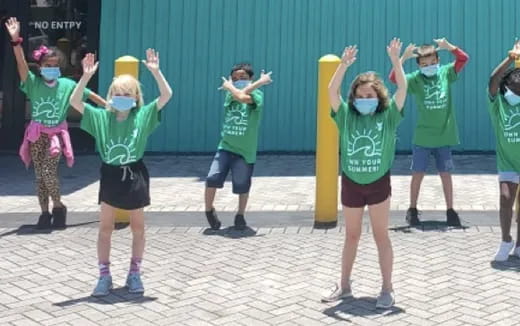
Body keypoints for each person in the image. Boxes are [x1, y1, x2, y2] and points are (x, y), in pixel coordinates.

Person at [69, 49, 172, 296]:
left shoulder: (143, 116)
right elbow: (75, 102)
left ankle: (134, 274)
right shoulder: (101, 117)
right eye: (118, 93)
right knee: (105, 228)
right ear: (111, 95)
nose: (122, 97)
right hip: (110, 174)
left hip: (134, 174)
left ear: (136, 97)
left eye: (128, 94)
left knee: (138, 227)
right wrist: (85, 77)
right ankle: (104, 276)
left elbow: (167, 95)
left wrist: (156, 73)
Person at [321, 38, 407, 309]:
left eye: (369, 96)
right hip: (351, 183)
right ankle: (344, 286)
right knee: (352, 235)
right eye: (359, 96)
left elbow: (402, 88)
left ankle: (387, 288)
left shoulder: (389, 115)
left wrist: (396, 61)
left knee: (381, 235)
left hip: (378, 183)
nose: (364, 100)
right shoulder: (346, 115)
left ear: (378, 97)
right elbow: (331, 92)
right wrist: (343, 67)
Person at [5, 17, 106, 229]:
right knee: (39, 177)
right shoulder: (32, 84)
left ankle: (59, 205)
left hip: (56, 136)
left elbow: (90, 95)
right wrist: (16, 41)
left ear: (59, 67)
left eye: (54, 65)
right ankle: (45, 213)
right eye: (46, 65)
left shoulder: (67, 84)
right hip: (36, 134)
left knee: (48, 172)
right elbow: (21, 65)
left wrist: (110, 107)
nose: (51, 68)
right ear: (40, 67)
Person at [389, 38, 469, 226]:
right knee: (418, 173)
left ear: (438, 61)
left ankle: (450, 211)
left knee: (446, 174)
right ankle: (412, 209)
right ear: (418, 65)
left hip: (444, 135)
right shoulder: (415, 79)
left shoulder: (446, 73)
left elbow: (463, 59)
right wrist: (403, 58)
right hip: (423, 136)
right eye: (424, 64)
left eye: (433, 62)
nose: (429, 66)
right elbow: (394, 78)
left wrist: (450, 47)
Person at [488, 40, 520, 261]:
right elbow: (493, 80)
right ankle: (505, 239)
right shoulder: (498, 104)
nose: (515, 93)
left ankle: (519, 245)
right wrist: (511, 58)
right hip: (508, 162)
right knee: (505, 197)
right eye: (513, 89)